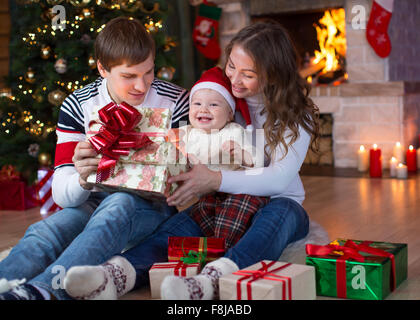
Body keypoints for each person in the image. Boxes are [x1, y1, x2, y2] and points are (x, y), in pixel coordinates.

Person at [62, 20, 320, 301]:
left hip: (281, 204)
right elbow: (192, 143)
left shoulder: (297, 115)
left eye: (248, 74)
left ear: (273, 75)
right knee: (178, 230)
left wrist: (214, 178)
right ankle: (114, 274)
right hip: (225, 200)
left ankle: (209, 281)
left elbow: (279, 178)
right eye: (231, 66)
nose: (234, 79)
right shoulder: (225, 104)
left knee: (276, 216)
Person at [0, 17, 189, 300]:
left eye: (148, 72)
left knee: (119, 204)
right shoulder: (79, 105)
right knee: (49, 229)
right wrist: (81, 177)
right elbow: (63, 196)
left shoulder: (177, 102)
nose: (142, 85)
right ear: (102, 68)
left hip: (153, 209)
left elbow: (193, 179)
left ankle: (43, 291)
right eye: (129, 76)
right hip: (91, 200)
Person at [64, 67, 270, 300]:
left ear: (230, 114)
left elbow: (257, 161)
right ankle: (122, 273)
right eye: (197, 104)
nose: (203, 109)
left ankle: (221, 261)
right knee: (191, 228)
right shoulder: (187, 133)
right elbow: (167, 149)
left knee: (231, 223)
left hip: (233, 195)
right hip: (202, 199)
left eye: (214, 105)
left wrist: (243, 155)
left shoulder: (234, 132)